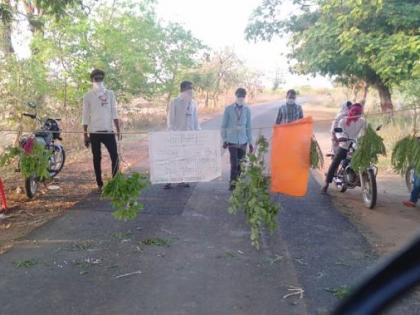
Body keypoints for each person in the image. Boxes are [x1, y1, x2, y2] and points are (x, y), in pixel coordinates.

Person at [82, 69, 121, 192]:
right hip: (94, 132)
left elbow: (114, 112)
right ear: (92, 80)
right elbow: (85, 116)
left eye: (100, 78)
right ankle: (99, 183)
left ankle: (115, 181)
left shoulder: (110, 94)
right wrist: (85, 135)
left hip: (108, 130)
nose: (98, 80)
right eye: (96, 78)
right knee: (96, 157)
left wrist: (118, 129)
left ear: (103, 79)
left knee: (115, 156)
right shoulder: (88, 96)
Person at [322, 103, 366, 193]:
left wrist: (367, 137)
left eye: (358, 112)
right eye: (354, 111)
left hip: (355, 144)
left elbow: (365, 131)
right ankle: (326, 183)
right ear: (350, 111)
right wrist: (340, 137)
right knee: (335, 162)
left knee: (363, 160)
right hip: (344, 144)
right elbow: (338, 131)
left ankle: (360, 178)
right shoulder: (343, 121)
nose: (356, 114)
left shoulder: (362, 121)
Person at [165, 80, 200, 189]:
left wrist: (197, 133)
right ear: (182, 89)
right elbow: (170, 120)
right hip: (177, 135)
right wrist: (171, 134)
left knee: (186, 158)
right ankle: (169, 180)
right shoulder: (174, 101)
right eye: (189, 88)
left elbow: (195, 120)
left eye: (191, 88)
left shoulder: (193, 103)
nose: (191, 90)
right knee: (174, 158)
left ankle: (183, 180)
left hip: (189, 135)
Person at [221, 88, 254, 191]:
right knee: (234, 163)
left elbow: (249, 127)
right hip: (232, 140)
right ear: (235, 95)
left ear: (245, 96)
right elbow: (223, 126)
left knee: (241, 163)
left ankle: (239, 182)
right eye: (239, 95)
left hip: (243, 141)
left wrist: (250, 143)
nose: (241, 97)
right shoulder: (228, 109)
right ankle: (232, 184)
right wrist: (225, 139)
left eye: (243, 95)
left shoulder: (247, 110)